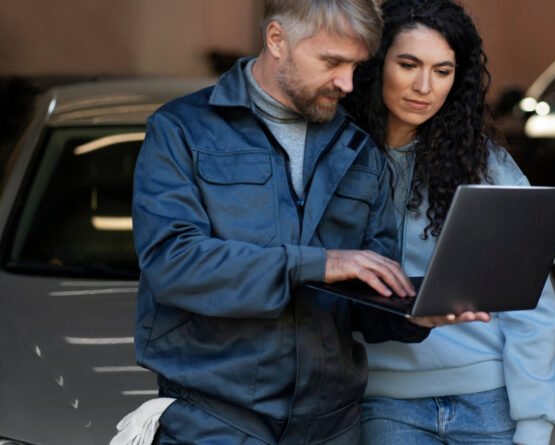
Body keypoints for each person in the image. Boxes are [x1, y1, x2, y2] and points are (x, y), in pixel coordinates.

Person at [128, 1, 487, 443]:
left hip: (331, 426)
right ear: (277, 39)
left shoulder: (359, 150)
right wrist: (319, 263)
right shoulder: (182, 130)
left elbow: (365, 307)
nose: (347, 83)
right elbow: (173, 265)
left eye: (356, 65)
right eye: (332, 62)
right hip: (215, 420)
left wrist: (414, 314)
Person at [343, 0, 555, 443]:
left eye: (442, 71)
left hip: (488, 401)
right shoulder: (335, 160)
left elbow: (530, 302)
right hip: (385, 402)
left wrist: (535, 421)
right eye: (408, 64)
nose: (424, 86)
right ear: (375, 63)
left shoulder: (487, 166)